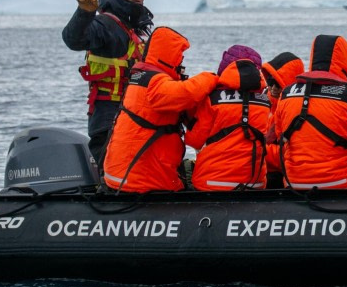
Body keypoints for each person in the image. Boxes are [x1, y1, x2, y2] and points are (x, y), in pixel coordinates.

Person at [102, 27, 217, 193]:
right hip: (142, 181)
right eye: (179, 56)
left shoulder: (141, 78)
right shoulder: (155, 83)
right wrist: (211, 77)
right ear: (168, 55)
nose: (181, 62)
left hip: (121, 176)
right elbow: (186, 93)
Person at [62, 0, 155, 169]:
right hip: (108, 120)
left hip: (136, 118)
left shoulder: (138, 30)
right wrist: (84, 13)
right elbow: (73, 39)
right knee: (114, 175)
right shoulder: (104, 25)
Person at [272, 35, 347, 189]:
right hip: (343, 181)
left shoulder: (286, 93)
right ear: (346, 63)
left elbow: (280, 135)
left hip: (295, 182)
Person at [184, 45, 271, 191]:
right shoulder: (265, 101)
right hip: (255, 183)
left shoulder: (212, 99)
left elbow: (194, 140)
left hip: (213, 182)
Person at [261, 52, 305, 187]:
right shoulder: (262, 101)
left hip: (281, 173)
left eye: (278, 84)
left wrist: (256, 151)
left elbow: (289, 153)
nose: (273, 88)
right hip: (264, 168)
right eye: (270, 82)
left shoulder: (297, 110)